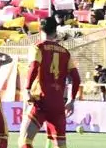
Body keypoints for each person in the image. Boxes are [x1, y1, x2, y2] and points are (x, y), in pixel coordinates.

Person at [22, 19, 81, 148]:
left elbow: (33, 67)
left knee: (25, 141)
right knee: (60, 145)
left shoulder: (38, 47)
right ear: (55, 32)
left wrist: (27, 90)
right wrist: (71, 100)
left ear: (39, 30)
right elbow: (76, 78)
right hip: (58, 103)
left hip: (40, 100)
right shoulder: (65, 52)